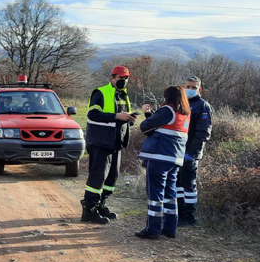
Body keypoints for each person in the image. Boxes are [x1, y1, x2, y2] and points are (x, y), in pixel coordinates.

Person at [82, 65, 136, 224]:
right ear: (112, 78)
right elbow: (93, 115)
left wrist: (129, 119)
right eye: (121, 78)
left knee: (112, 178)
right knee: (98, 177)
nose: (124, 81)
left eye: (126, 78)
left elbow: (121, 118)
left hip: (116, 143)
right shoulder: (100, 92)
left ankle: (100, 205)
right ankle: (89, 210)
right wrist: (116, 116)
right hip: (100, 142)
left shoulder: (123, 95)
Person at [135, 85, 191, 239]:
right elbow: (163, 126)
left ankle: (152, 230)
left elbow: (145, 127)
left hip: (159, 157)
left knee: (155, 195)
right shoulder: (185, 113)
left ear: (168, 97)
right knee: (170, 194)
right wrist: (150, 114)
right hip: (175, 160)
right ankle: (170, 228)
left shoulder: (167, 110)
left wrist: (147, 115)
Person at [177, 76, 212, 226]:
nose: (190, 89)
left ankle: (189, 216)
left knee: (188, 185)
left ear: (199, 89)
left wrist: (191, 153)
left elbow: (203, 133)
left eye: (193, 87)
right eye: (188, 86)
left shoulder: (203, 106)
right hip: (177, 151)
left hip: (191, 153)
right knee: (177, 184)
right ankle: (178, 212)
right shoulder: (180, 104)